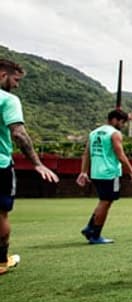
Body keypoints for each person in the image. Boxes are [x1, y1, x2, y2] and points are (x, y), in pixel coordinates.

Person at [0, 59, 59, 275]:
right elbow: (18, 133)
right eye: (15, 80)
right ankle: (1, 261)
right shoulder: (8, 100)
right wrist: (37, 163)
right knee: (1, 214)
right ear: (2, 75)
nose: (17, 85)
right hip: (0, 165)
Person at [76, 109, 132, 244]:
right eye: (122, 122)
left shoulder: (93, 133)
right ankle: (95, 234)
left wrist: (84, 172)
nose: (123, 125)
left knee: (104, 201)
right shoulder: (114, 134)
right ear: (115, 120)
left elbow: (86, 154)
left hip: (96, 173)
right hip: (110, 173)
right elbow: (120, 155)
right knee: (105, 202)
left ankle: (90, 228)